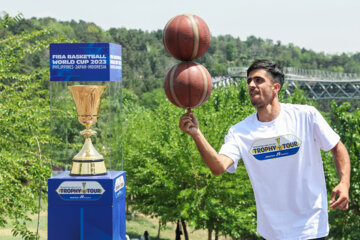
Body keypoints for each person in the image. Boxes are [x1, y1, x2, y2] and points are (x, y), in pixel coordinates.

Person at [179, 59, 351, 240]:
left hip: (310, 227)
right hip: (272, 232)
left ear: (275, 87)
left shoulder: (306, 116)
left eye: (258, 80)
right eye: (249, 81)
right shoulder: (240, 131)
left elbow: (337, 147)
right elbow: (218, 166)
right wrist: (197, 134)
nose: (251, 85)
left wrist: (344, 183)